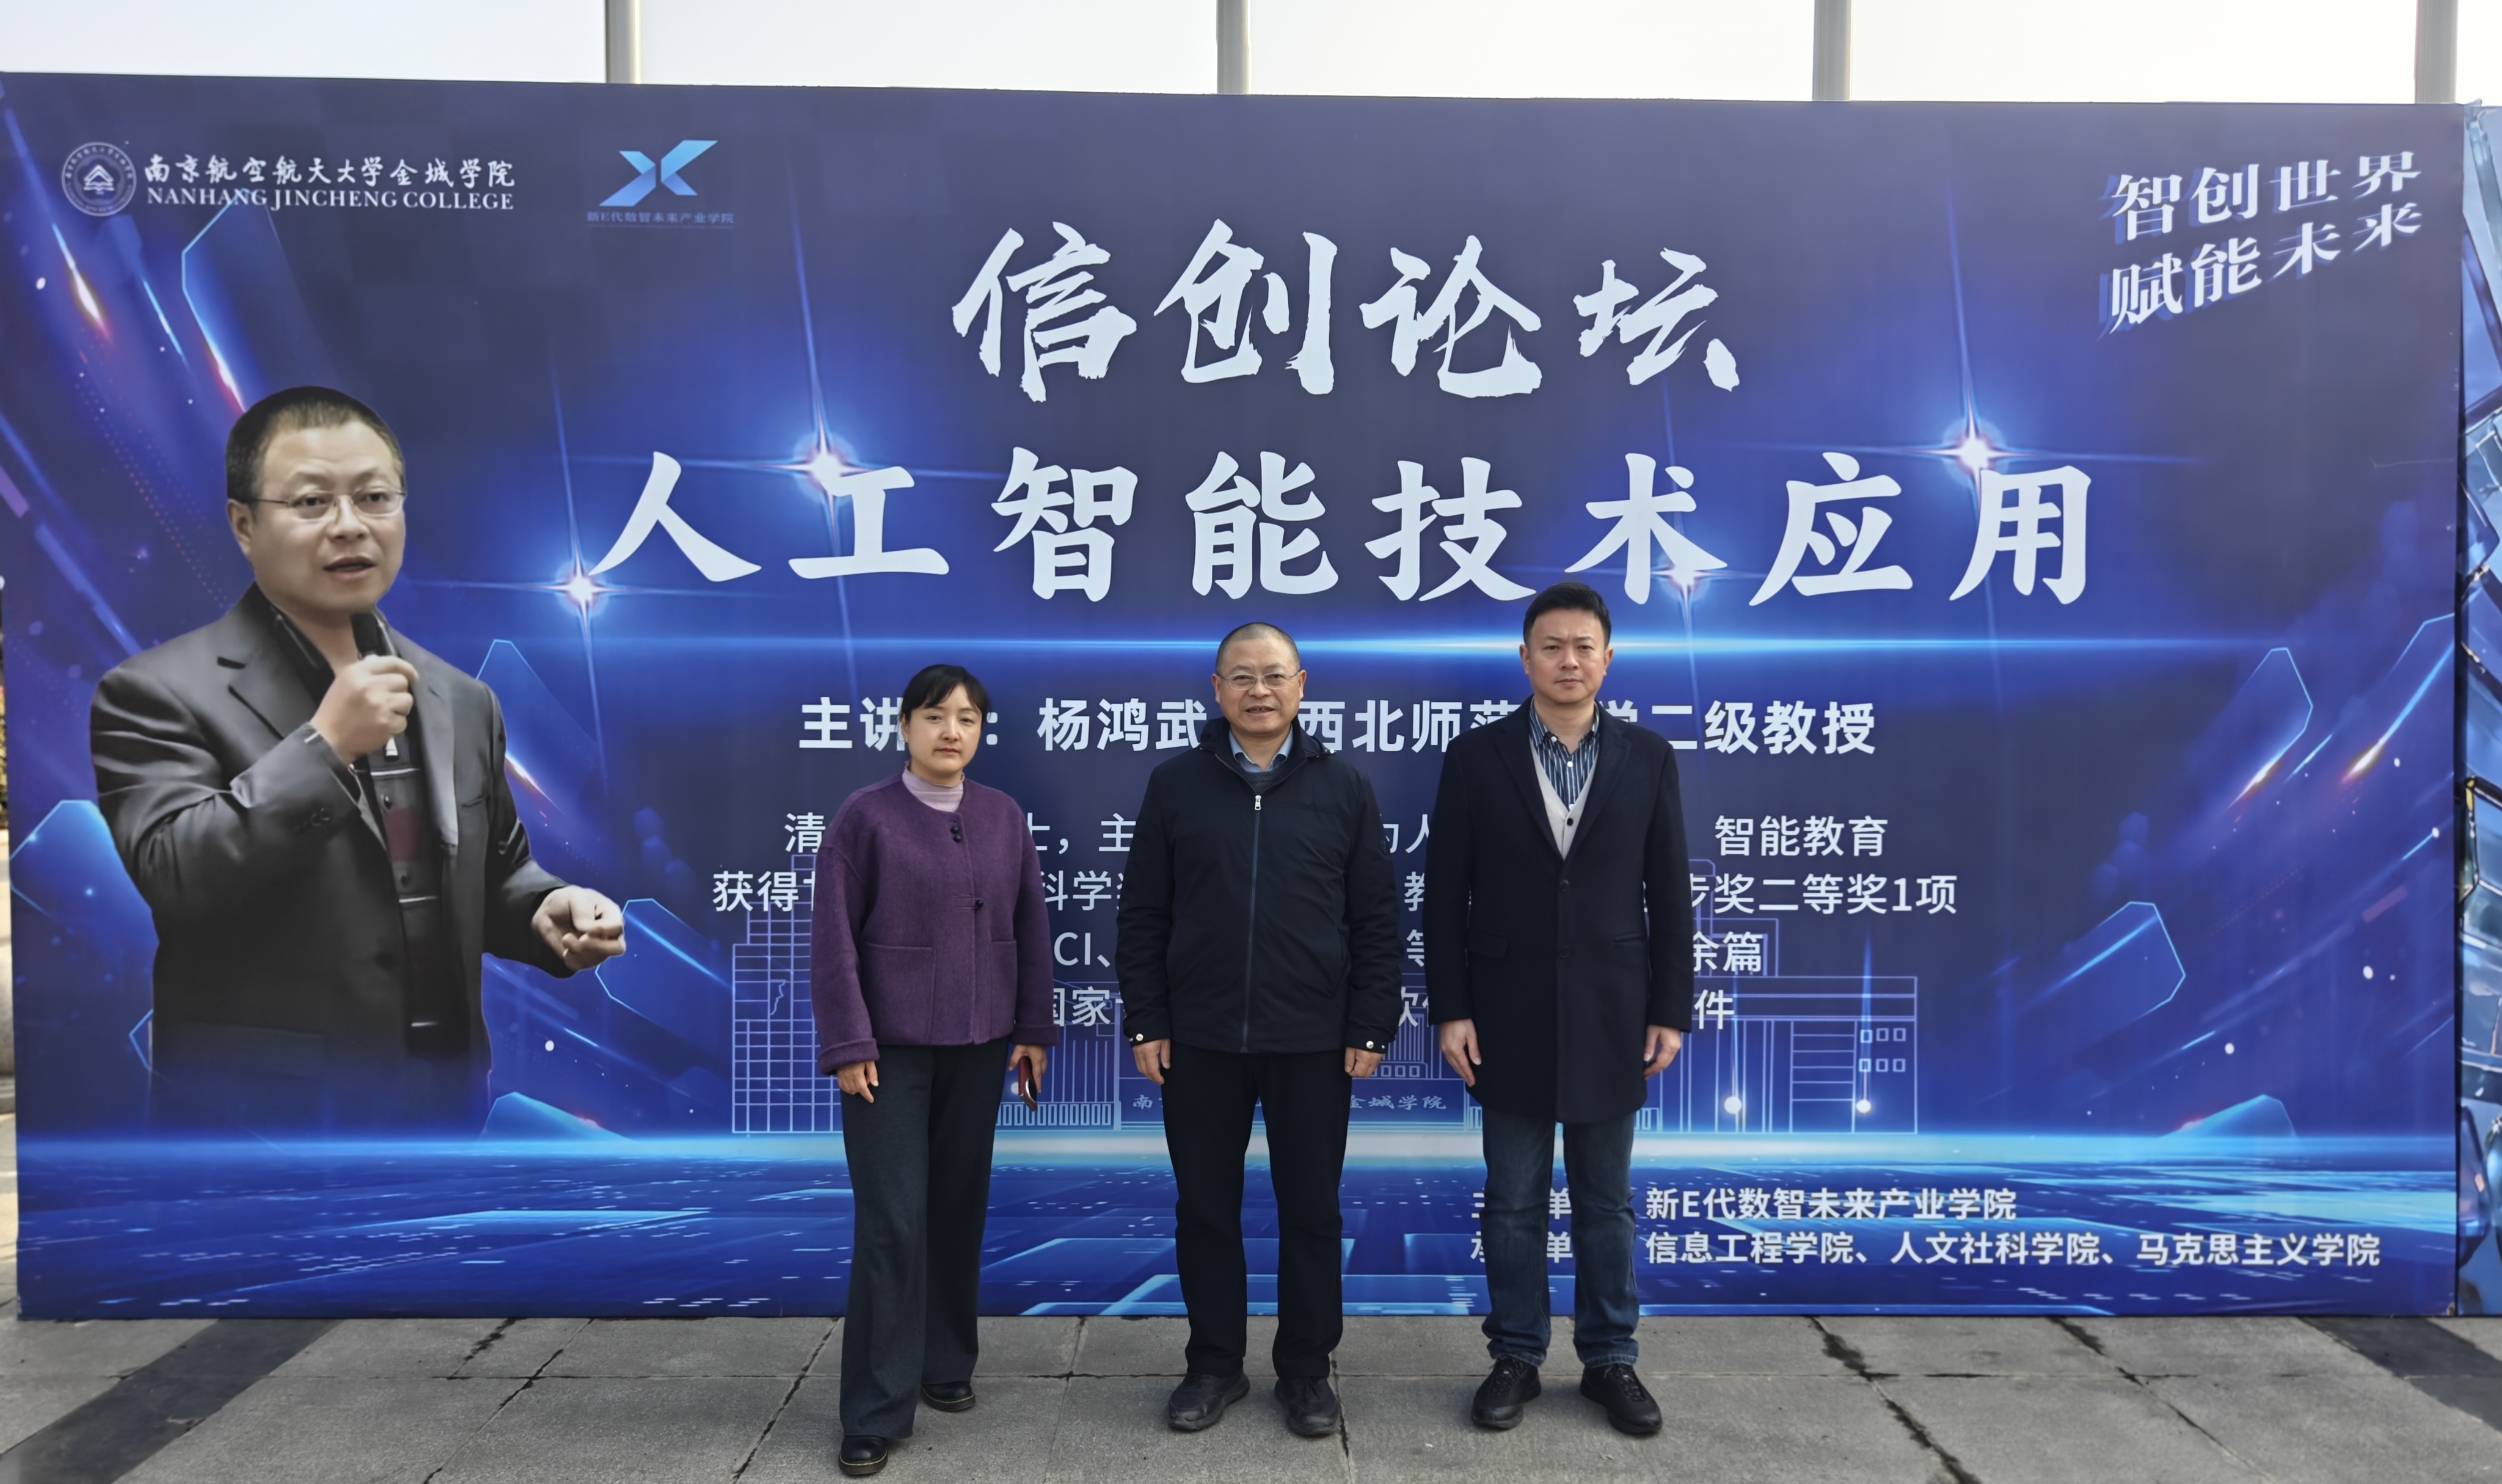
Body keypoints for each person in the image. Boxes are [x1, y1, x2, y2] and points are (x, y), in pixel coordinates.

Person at [90, 385, 626, 1134]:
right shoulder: (154, 692)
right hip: (256, 1134)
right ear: (244, 525)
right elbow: (176, 875)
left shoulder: (462, 699)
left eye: (375, 498)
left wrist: (544, 910)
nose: (350, 525)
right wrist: (325, 746)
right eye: (312, 502)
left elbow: (492, 875)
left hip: (443, 1122)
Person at [1423, 581, 1696, 1438]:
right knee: (1512, 1200)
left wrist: (1670, 1006)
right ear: (1525, 658)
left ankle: (1611, 1358)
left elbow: (1670, 893)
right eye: (1552, 646)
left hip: (1614, 1010)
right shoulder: (1476, 757)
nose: (1568, 661)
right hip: (1504, 1009)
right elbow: (1445, 896)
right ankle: (1515, 1354)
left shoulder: (1648, 756)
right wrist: (1451, 1007)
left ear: (1607, 660)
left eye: (1583, 647)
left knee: (1606, 1201)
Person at [1115, 621, 1401, 1438]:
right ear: (1217, 689)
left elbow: (1377, 919)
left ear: (1301, 686)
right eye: (1241, 676)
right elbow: (1143, 914)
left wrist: (1371, 1024)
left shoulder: (1344, 787)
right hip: (1199, 1037)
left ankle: (1305, 1370)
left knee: (1311, 1211)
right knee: (1205, 1209)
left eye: (1274, 675)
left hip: (1313, 1039)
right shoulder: (1175, 784)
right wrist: (1148, 1018)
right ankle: (1214, 1364)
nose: (1259, 690)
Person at [810, 663, 1058, 1479]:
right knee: (892, 1222)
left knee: (957, 1208)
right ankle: (874, 1410)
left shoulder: (1003, 815)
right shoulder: (865, 817)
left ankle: (945, 1361)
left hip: (981, 1045)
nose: (952, 731)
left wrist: (1033, 1028)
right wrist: (849, 1042)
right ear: (905, 726)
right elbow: (833, 940)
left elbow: (1029, 923)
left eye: (968, 718)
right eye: (934, 715)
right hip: (887, 1054)